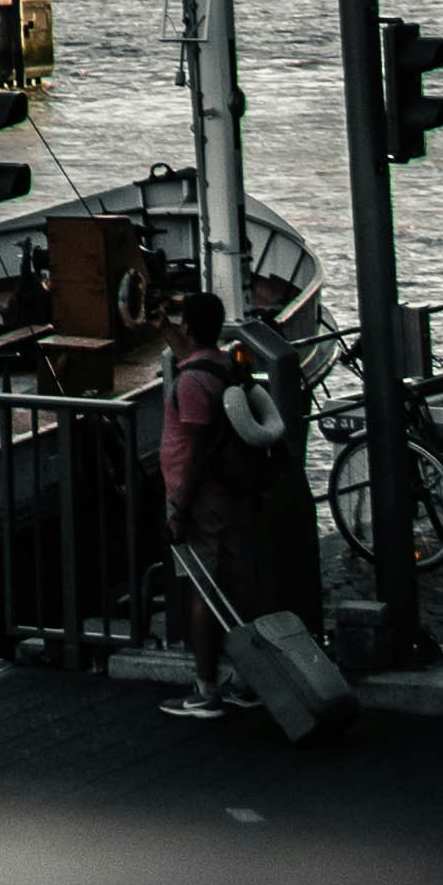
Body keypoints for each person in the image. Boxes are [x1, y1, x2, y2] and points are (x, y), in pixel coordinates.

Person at [157, 278, 279, 720]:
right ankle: (245, 682)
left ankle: (205, 689)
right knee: (234, 587)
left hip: (202, 501)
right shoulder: (226, 366)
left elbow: (195, 450)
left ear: (188, 327)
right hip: (233, 495)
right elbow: (188, 350)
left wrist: (179, 508)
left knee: (204, 595)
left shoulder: (190, 384)